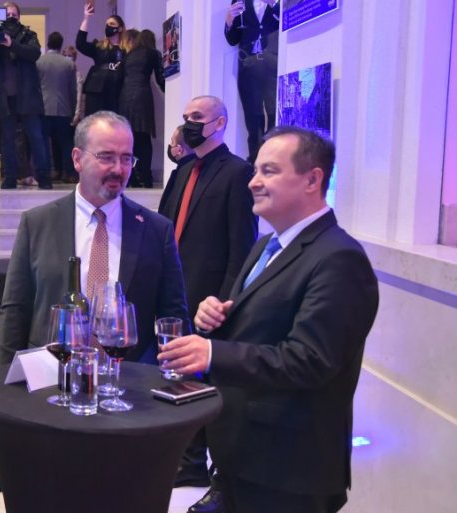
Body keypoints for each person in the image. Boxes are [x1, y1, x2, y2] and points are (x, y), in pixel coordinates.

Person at [159, 127, 379, 513]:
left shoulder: (339, 258)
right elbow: (258, 326)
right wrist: (216, 317)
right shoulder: (267, 244)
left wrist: (212, 353)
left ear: (312, 180)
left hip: (289, 470)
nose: (253, 182)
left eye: (269, 171)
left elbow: (309, 361)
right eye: (256, 170)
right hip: (242, 455)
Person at [0, 111, 190, 365]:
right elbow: (15, 310)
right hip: (51, 375)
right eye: (106, 157)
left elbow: (174, 315)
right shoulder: (37, 224)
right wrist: (5, 377)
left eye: (126, 158)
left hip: (130, 380)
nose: (118, 169)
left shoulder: (157, 230)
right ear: (77, 159)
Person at [157, 96, 257, 505]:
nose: (189, 124)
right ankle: (182, 455)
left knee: (200, 381)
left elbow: (241, 246)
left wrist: (225, 301)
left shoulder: (237, 172)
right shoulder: (182, 170)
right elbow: (164, 227)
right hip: (172, 292)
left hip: (208, 297)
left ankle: (196, 461)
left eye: (197, 118)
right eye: (186, 118)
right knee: (174, 375)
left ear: (220, 123)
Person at [0, 1, 52, 190]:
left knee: (35, 137)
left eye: (14, 14)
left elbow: (34, 53)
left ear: (19, 16)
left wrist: (12, 44)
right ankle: (10, 177)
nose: (11, 17)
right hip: (5, 98)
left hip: (27, 96)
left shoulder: (28, 35)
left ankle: (44, 177)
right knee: (7, 140)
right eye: (7, 14)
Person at [224, 0, 280, 163]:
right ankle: (255, 164)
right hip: (247, 65)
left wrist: (274, 4)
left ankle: (275, 160)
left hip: (275, 65)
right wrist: (229, 21)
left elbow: (291, 19)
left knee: (275, 114)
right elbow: (233, 39)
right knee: (252, 120)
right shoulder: (239, 1)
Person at [119, 29, 165, 188]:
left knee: (130, 138)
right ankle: (146, 177)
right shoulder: (152, 53)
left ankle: (131, 178)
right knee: (144, 138)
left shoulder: (128, 55)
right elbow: (161, 78)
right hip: (142, 97)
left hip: (125, 97)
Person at [37, 31, 78, 183]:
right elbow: (73, 90)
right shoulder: (69, 64)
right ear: (61, 45)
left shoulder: (39, 62)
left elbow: (36, 87)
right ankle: (70, 173)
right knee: (66, 143)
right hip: (63, 108)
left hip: (43, 107)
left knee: (44, 143)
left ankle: (46, 172)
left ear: (48, 43)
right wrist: (73, 109)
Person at [76, 4, 129, 115]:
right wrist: (86, 18)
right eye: (107, 24)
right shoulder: (99, 47)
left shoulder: (126, 50)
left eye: (112, 24)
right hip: (96, 91)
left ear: (120, 28)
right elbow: (80, 44)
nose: (108, 26)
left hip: (116, 93)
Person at [62, 45, 86, 127]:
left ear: (74, 57)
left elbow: (78, 97)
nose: (67, 57)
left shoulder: (77, 74)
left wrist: (77, 114)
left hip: (72, 112)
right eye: (65, 55)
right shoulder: (60, 73)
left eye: (69, 56)